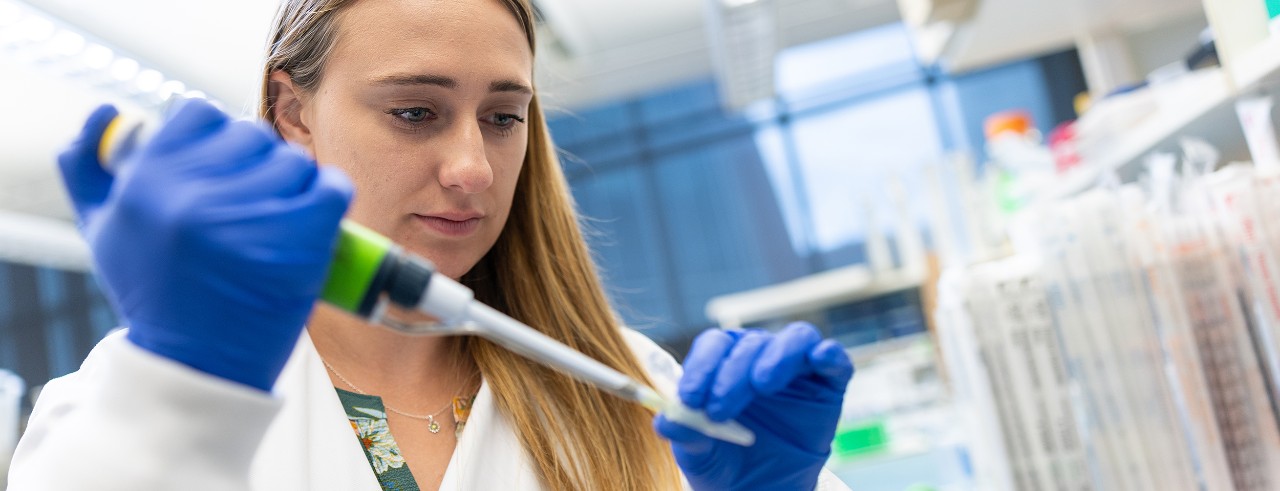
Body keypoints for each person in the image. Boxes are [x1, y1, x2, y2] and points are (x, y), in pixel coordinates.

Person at [8, 0, 855, 489]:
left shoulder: (639, 395)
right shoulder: (135, 400)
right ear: (292, 112)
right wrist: (176, 404)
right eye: (415, 111)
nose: (472, 168)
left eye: (502, 117)